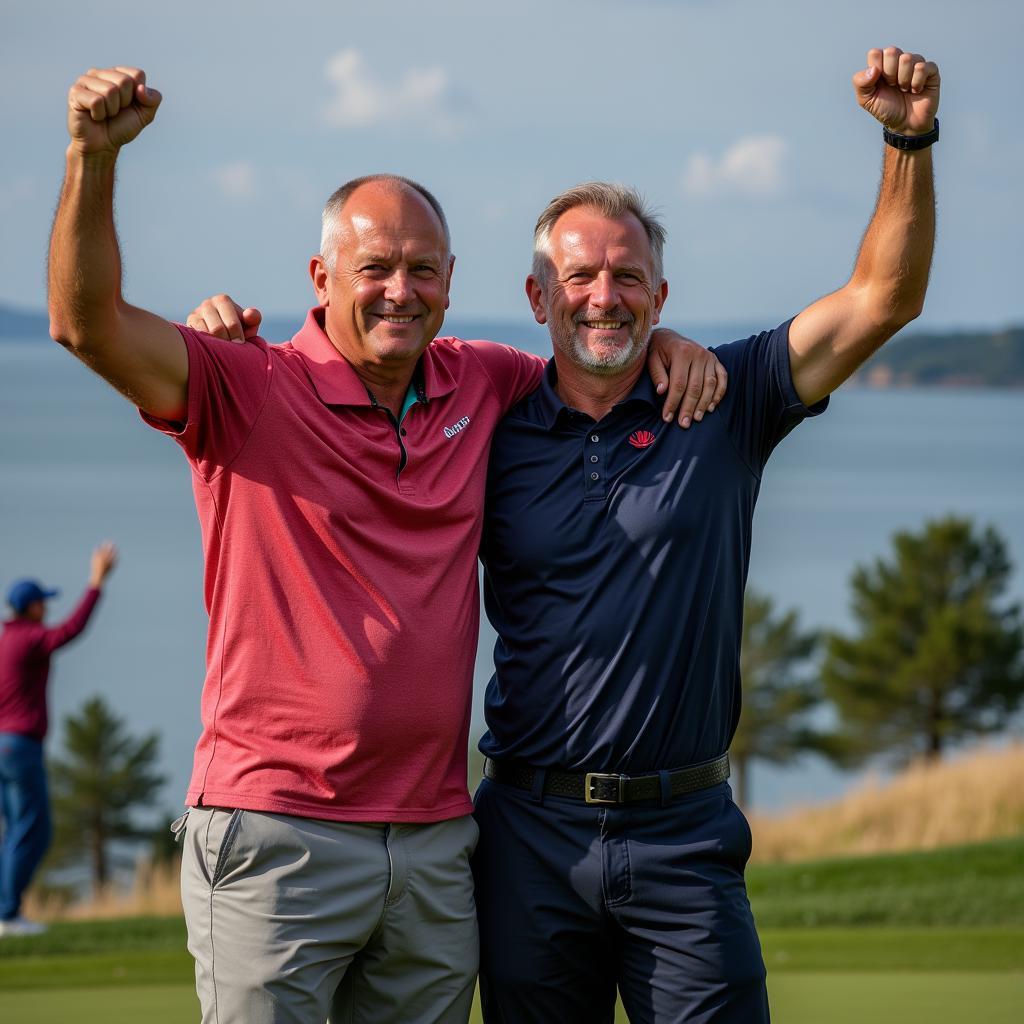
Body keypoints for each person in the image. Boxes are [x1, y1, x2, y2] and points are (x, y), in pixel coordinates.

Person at [47, 65, 724, 1023]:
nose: (399, 291)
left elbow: (593, 344)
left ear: (452, 282)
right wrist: (92, 158)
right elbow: (86, 325)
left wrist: (667, 344)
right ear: (322, 279)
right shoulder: (245, 385)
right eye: (374, 268)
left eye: (422, 269)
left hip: (437, 841)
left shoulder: (482, 381)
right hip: (276, 833)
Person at [470, 46, 939, 1023]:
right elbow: (361, 367)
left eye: (628, 277)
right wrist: (234, 344)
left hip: (683, 836)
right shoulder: (487, 426)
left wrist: (905, 138)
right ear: (538, 298)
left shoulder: (725, 399)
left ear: (660, 296)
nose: (605, 295)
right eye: (581, 276)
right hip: (528, 834)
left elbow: (881, 299)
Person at [0, 542, 118, 937]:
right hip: (19, 747)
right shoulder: (30, 638)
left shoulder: (5, 641)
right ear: (31, 606)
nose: (46, 609)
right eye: (42, 603)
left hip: (4, 747)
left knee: (15, 830)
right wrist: (96, 582)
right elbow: (72, 629)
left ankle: (7, 911)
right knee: (34, 829)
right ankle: (8, 914)